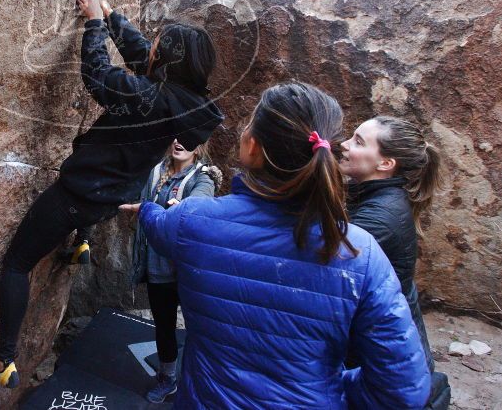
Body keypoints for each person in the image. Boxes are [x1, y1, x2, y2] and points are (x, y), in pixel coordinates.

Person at [120, 82, 431, 409]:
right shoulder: (360, 251)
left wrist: (148, 210)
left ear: (253, 146)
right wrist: (324, 389)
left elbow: (159, 225)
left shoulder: (192, 221)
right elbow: (403, 389)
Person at [0, 0, 224, 388]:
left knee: (17, 263)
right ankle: (82, 243)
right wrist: (109, 13)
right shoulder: (187, 100)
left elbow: (98, 75)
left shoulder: (148, 96)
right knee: (90, 205)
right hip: (112, 195)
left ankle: (4, 359)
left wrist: (94, 24)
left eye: (159, 45)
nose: (152, 47)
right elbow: (143, 57)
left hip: (78, 196)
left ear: (166, 61)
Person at [340, 116, 450, 409]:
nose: (344, 145)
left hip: (378, 362)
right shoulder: (378, 198)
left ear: (385, 164)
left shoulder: (380, 219)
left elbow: (317, 257)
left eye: (358, 142)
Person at [130, 139, 222, 403]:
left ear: (200, 145)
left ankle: (200, 381)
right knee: (164, 326)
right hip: (158, 266)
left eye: (189, 138)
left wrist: (182, 210)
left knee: (199, 328)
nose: (179, 141)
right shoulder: (156, 171)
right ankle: (168, 378)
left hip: (189, 271)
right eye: (177, 135)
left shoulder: (203, 176)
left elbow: (200, 202)